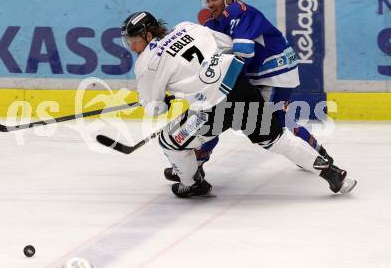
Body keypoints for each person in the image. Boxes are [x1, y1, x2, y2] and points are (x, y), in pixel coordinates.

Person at [121, 11, 357, 198]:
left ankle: (193, 184)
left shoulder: (146, 64)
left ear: (148, 36)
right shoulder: (187, 27)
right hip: (240, 89)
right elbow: (226, 44)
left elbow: (155, 109)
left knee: (169, 141)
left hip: (212, 110)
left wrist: (161, 99)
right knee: (277, 139)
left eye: (133, 40)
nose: (132, 47)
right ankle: (333, 174)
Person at [164, 0, 336, 183]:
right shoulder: (214, 22)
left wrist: (221, 82)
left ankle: (320, 157)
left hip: (276, 74)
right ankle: (196, 163)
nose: (210, 4)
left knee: (276, 122)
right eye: (208, 0)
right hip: (254, 75)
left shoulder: (243, 13)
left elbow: (243, 52)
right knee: (214, 115)